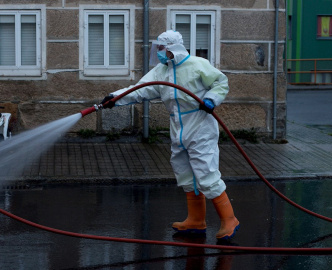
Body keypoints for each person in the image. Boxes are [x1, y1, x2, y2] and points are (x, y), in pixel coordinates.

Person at [100, 30, 239, 240]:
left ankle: (229, 219)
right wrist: (114, 98)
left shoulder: (197, 65)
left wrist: (211, 99)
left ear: (173, 48)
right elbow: (140, 90)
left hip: (200, 125)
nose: (159, 53)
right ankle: (196, 220)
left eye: (162, 49)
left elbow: (221, 82)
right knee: (184, 172)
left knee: (206, 172)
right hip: (178, 126)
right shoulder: (161, 71)